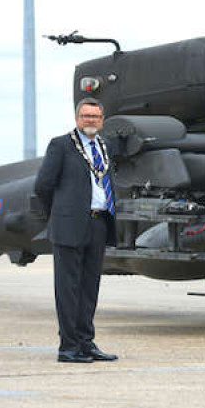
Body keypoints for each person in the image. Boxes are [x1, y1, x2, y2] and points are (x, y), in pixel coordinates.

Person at [34, 97, 119, 364]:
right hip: (69, 225)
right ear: (77, 118)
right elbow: (43, 186)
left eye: (95, 116)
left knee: (89, 287)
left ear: (102, 120)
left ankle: (86, 342)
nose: (90, 120)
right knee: (68, 289)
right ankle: (68, 347)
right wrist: (60, 215)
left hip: (98, 222)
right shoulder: (61, 145)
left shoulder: (103, 146)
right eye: (85, 116)